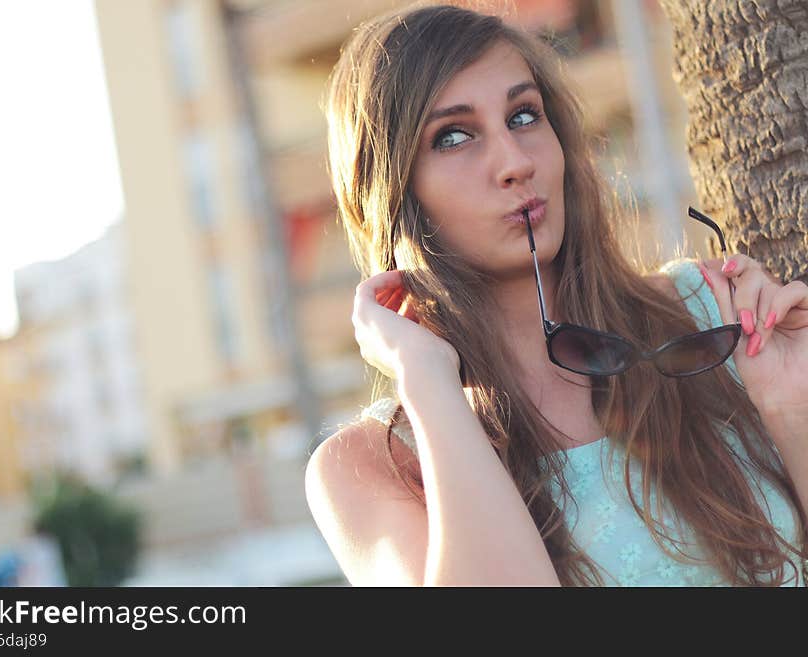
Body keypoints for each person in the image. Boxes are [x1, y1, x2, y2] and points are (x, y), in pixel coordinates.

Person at [305, 3, 808, 586]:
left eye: (523, 116)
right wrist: (426, 379)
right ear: (394, 190)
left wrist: (789, 406)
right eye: (455, 136)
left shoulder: (709, 320)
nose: (516, 163)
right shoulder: (373, 468)